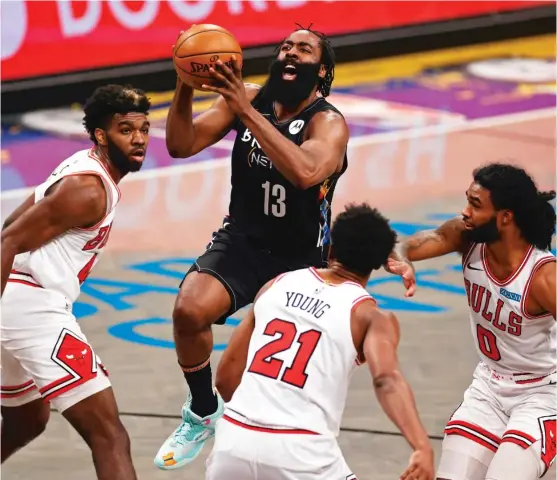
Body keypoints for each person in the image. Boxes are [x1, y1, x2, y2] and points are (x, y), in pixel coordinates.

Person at [153, 24, 364, 469]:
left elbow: (306, 172)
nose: (290, 52)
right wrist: (184, 83)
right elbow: (180, 143)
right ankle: (202, 412)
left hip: (300, 259)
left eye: (304, 50)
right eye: (285, 46)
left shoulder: (328, 122)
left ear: (321, 70)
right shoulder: (249, 95)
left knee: (251, 372)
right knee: (188, 311)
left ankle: (301, 450)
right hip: (244, 241)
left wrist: (247, 112)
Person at [203, 203, 434, 480]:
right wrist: (422, 447)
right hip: (302, 453)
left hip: (233, 443)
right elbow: (386, 379)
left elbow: (226, 379)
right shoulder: (370, 316)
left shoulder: (276, 284)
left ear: (330, 247)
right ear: (380, 263)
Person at [1, 84, 151, 480]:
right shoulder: (87, 190)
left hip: (16, 303)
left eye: (143, 129)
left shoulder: (81, 165)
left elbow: (11, 223)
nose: (138, 139)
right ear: (102, 136)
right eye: (125, 129)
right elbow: (9, 239)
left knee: (28, 418)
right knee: (109, 436)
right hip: (32, 308)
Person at [388, 163, 556, 480]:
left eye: (475, 205)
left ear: (505, 216)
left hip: (542, 394)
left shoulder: (544, 277)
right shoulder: (466, 239)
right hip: (488, 388)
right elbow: (405, 243)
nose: (465, 212)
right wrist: (404, 261)